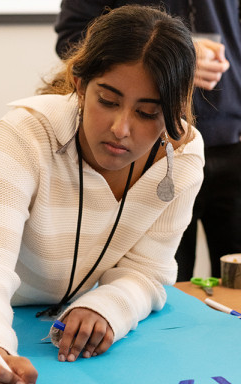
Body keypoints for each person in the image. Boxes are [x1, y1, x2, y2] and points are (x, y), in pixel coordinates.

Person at [0, 5, 204, 384]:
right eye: (107, 100)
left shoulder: (183, 157)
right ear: (81, 86)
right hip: (1, 257)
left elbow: (149, 272)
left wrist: (105, 306)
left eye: (147, 113)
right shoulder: (26, 131)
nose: (122, 128)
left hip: (77, 276)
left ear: (172, 112)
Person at [55, 0, 241, 280]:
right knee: (159, 282)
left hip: (234, 139)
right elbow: (74, 36)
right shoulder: (35, 128)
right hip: (150, 155)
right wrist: (174, 57)